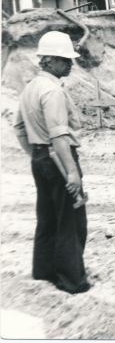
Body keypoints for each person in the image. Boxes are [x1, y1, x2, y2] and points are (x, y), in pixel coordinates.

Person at [13, 31, 91, 294]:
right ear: (49, 61)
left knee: (47, 218)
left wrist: (37, 154)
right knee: (71, 220)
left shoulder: (29, 89)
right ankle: (72, 280)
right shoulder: (52, 91)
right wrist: (71, 172)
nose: (70, 64)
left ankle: (44, 272)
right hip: (59, 157)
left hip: (40, 157)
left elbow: (20, 128)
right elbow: (59, 134)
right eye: (64, 59)